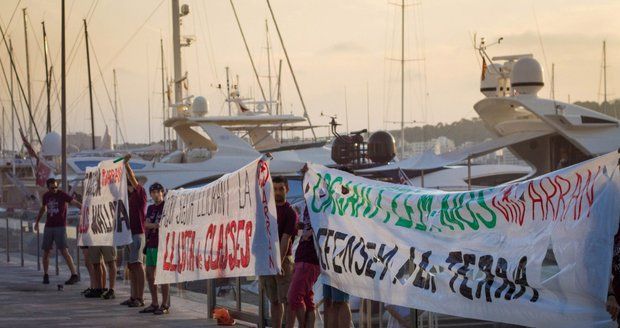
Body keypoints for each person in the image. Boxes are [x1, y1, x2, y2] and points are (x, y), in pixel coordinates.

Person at [259, 176, 298, 328]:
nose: (278, 192)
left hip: (284, 260)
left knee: (287, 300)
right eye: (275, 189)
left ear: (286, 189)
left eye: (281, 188)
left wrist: (277, 263)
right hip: (267, 259)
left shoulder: (290, 213)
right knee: (274, 300)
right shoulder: (267, 210)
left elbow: (286, 239)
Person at [34, 178, 81, 285]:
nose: (55, 189)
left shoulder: (62, 195)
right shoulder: (46, 196)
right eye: (52, 188)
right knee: (46, 251)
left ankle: (74, 274)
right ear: (48, 188)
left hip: (60, 226)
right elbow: (43, 208)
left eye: (56, 187)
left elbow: (74, 202)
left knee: (64, 250)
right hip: (49, 226)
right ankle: (46, 274)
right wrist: (37, 221)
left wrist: (84, 208)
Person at [119, 154, 147, 308]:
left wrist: (126, 165)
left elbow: (132, 177)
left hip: (137, 234)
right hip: (129, 235)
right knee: (131, 266)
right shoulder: (128, 198)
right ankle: (133, 296)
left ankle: (140, 297)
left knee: (137, 265)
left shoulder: (140, 193)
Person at [286, 205, 321, 328]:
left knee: (293, 297)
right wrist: (302, 227)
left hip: (310, 257)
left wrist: (310, 233)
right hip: (303, 254)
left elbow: (325, 224)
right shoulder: (309, 201)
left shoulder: (319, 200)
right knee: (307, 299)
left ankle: (303, 325)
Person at [140, 182, 170, 315]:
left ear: (162, 192)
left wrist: (153, 225)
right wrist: (156, 225)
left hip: (162, 244)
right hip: (151, 243)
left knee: (162, 276)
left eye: (158, 191)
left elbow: (167, 223)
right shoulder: (151, 208)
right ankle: (154, 302)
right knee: (150, 275)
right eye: (153, 192)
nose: (155, 194)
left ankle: (165, 304)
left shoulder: (167, 205)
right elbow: (146, 224)